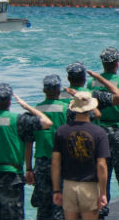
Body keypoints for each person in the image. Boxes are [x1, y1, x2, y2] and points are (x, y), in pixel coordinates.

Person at [0, 83, 54, 220]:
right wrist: (26, 106)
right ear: (9, 102)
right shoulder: (18, 120)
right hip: (12, 178)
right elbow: (47, 122)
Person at [89, 47, 119, 219]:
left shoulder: (90, 84)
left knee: (101, 177)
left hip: (98, 133)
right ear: (117, 64)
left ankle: (101, 212)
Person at [52, 91, 110, 220]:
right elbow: (102, 165)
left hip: (69, 185)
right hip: (89, 187)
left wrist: (56, 190)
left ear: (74, 109)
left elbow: (55, 162)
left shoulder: (62, 131)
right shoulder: (99, 133)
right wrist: (103, 193)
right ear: (90, 109)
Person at [26, 75, 69, 220]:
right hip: (62, 162)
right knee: (61, 204)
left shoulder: (35, 111)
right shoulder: (67, 109)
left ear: (44, 90)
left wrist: (28, 168)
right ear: (59, 90)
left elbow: (29, 142)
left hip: (41, 163)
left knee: (43, 207)